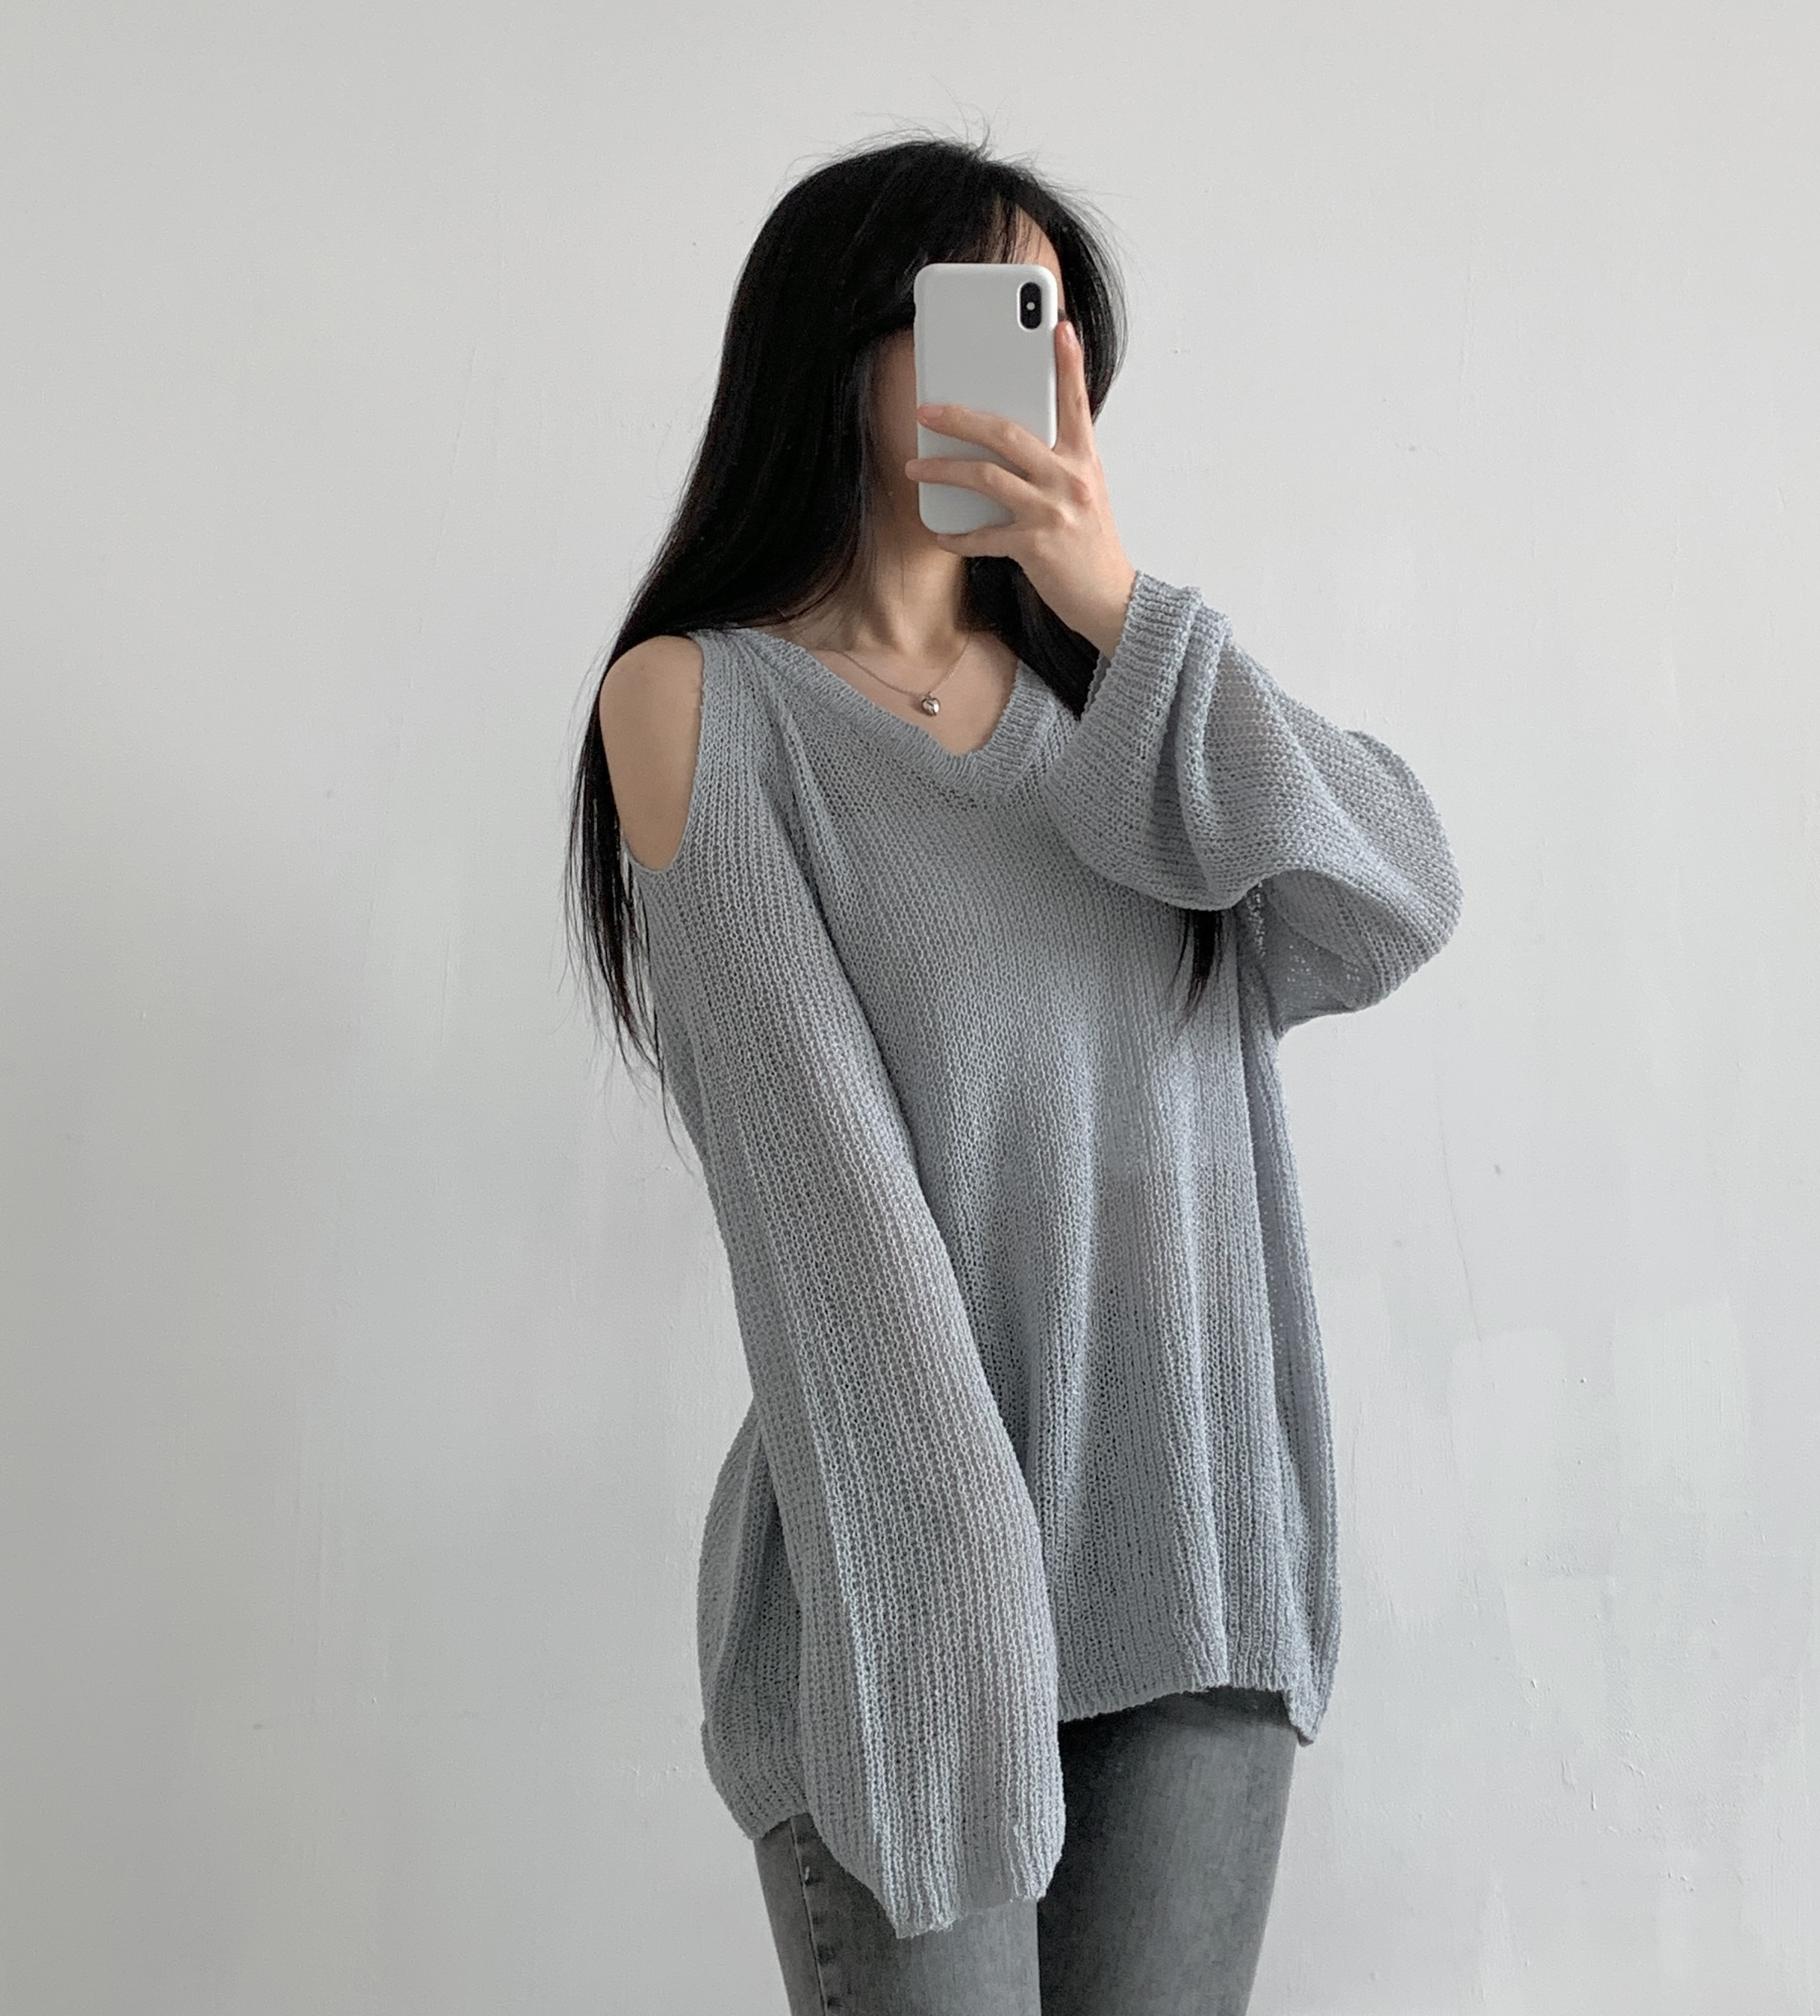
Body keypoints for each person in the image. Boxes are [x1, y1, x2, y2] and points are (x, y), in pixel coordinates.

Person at [566, 130, 1464, 2015]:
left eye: (1067, 327)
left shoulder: (1137, 724)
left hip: (1193, 1582)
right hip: (910, 1613)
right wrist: (953, 1662)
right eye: (999, 309)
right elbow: (838, 1246)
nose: (1043, 364)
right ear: (846, 343)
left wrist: (1124, 605)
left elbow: (1396, 896)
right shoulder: (708, 708)